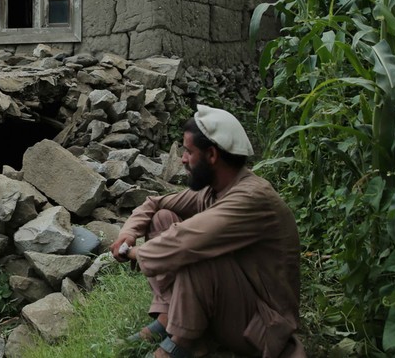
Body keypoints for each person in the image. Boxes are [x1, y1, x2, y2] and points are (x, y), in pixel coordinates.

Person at [110, 104, 304, 358]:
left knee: (196, 254)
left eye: (189, 151)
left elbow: (185, 242)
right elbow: (154, 203)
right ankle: (169, 317)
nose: (182, 159)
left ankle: (181, 342)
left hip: (262, 326)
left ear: (212, 155)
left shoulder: (252, 198)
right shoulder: (214, 190)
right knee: (162, 218)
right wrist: (128, 233)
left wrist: (134, 252)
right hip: (237, 308)